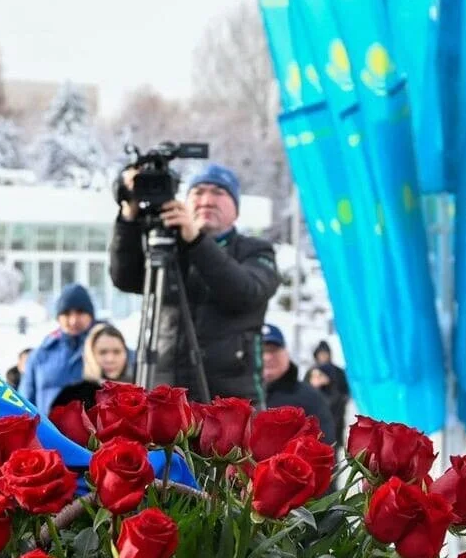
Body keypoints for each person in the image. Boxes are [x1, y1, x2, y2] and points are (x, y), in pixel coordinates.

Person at [110, 162, 280, 402]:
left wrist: (196, 242)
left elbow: (245, 292)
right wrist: (129, 215)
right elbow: (125, 278)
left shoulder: (256, 250)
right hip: (168, 393)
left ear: (237, 210)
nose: (207, 200)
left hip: (231, 401)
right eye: (198, 192)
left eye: (218, 193)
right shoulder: (168, 246)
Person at [20, 284, 99, 414]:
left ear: (90, 315)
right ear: (58, 317)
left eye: (80, 312)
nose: (73, 320)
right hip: (49, 433)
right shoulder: (40, 355)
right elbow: (24, 404)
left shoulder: (108, 350)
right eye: (67, 313)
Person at [260, 325, 336, 446]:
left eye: (273, 350)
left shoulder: (310, 398)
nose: (267, 357)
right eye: (261, 350)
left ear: (286, 353)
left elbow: (325, 447)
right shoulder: (237, 395)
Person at [51, 323, 135, 412]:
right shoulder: (70, 397)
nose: (110, 359)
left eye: (117, 352)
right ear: (90, 355)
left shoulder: (138, 391)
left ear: (126, 354)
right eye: (103, 352)